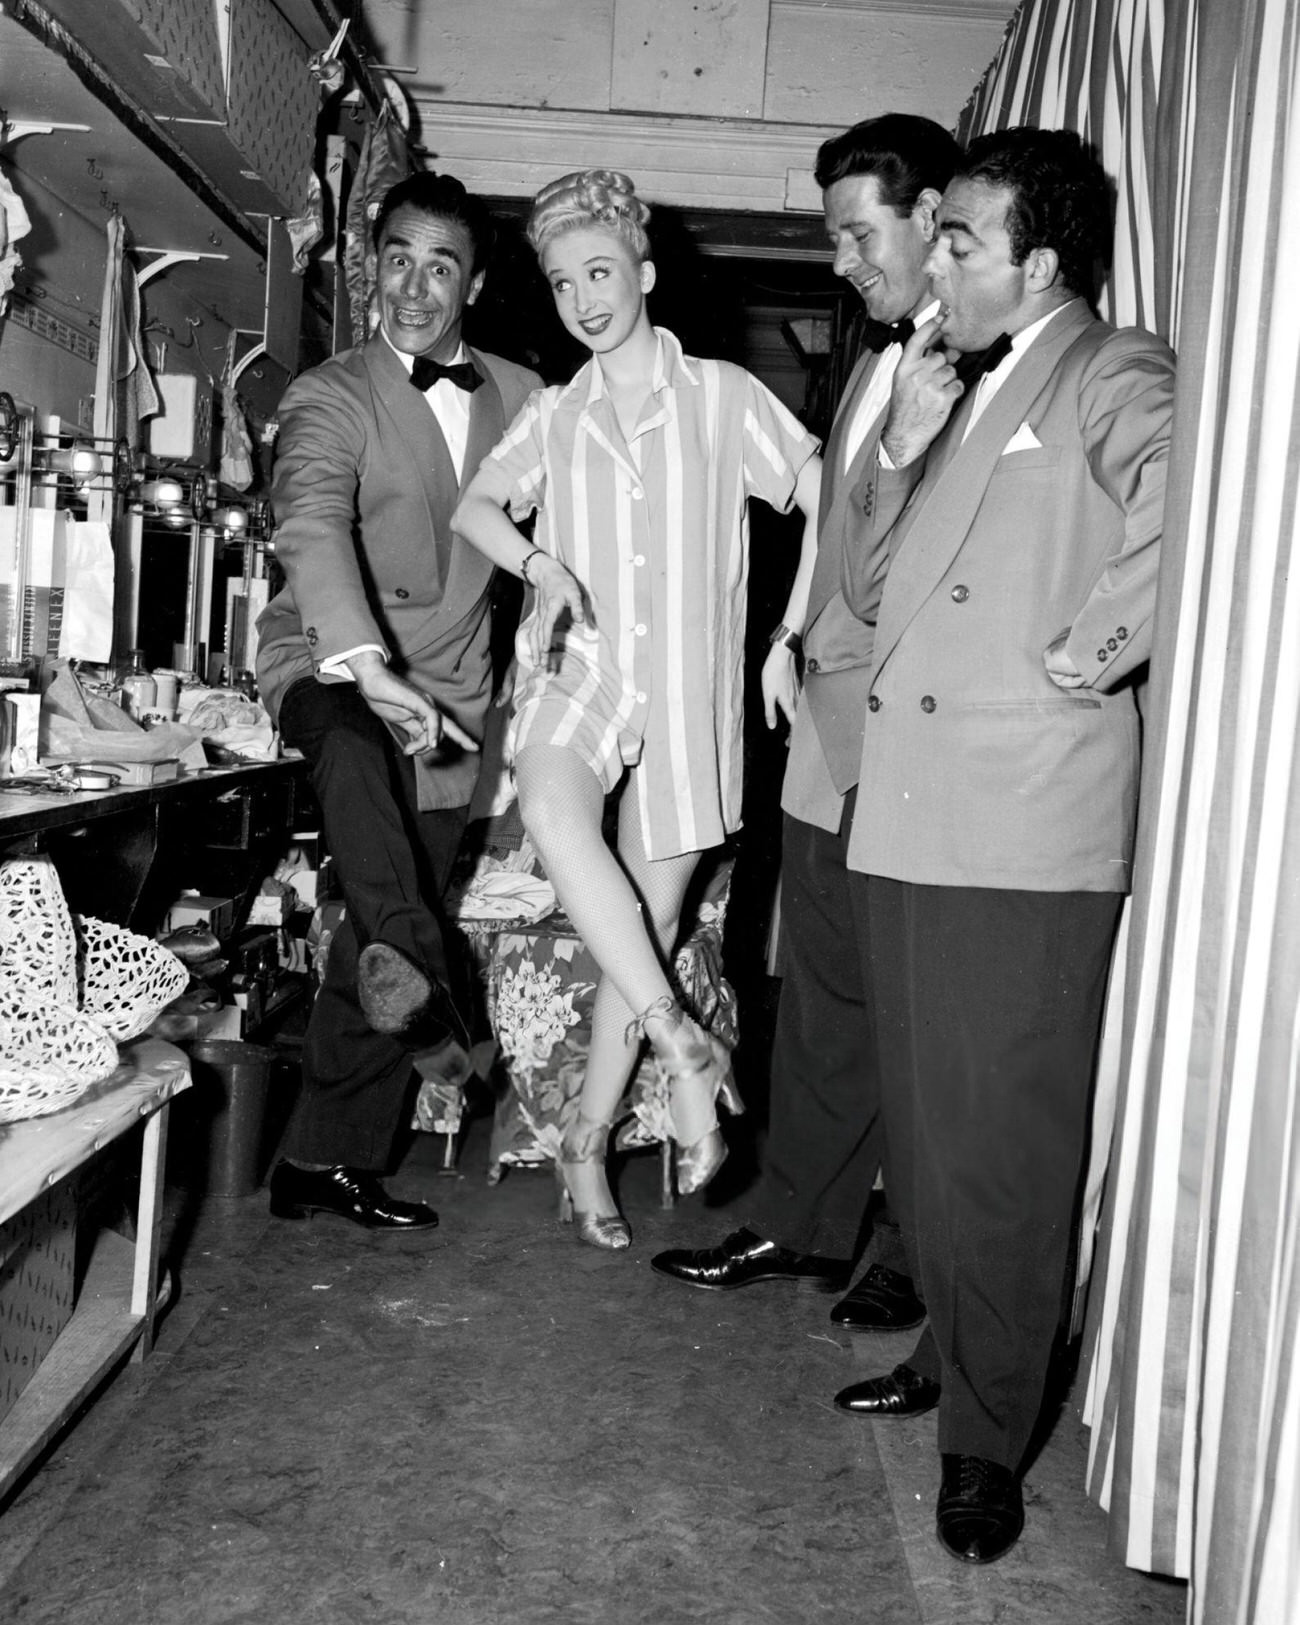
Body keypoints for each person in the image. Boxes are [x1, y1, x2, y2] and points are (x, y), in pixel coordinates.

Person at [838, 128, 1175, 1563]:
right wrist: (899, 454)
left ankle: (987, 1440)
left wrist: (1087, 653)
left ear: (1038, 261)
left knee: (1009, 1159)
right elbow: (864, 590)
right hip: (909, 805)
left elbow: (1195, 511)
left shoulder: (1111, 368)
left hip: (1026, 823)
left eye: (960, 239)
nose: (938, 261)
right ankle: (953, 1356)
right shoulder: (956, 391)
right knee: (924, 1140)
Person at [453, 170, 821, 1250]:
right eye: (563, 280)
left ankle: (585, 1137)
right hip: (584, 668)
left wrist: (788, 635)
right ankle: (681, 1045)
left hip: (690, 691)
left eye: (600, 271)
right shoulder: (554, 412)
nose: (583, 297)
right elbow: (477, 503)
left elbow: (825, 492)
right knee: (559, 810)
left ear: (645, 274)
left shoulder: (721, 396)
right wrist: (536, 560)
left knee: (644, 930)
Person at [651, 115, 957, 1331]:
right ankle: (803, 1215)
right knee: (824, 985)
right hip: (822, 708)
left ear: (934, 215)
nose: (839, 259)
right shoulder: (882, 355)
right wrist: (782, 635)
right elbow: (831, 521)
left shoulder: (964, 362)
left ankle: (899, 1234)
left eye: (855, 232)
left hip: (900, 722)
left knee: (902, 999)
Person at [255, 172, 540, 1231]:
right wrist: (366, 665)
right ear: (371, 264)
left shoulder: (521, 398)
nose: (415, 286)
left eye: (442, 264)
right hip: (330, 668)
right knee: (357, 774)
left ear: (474, 280)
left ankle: (322, 1160)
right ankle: (436, 1010)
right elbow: (313, 523)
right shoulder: (328, 393)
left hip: (454, 700)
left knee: (370, 927)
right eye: (399, 257)